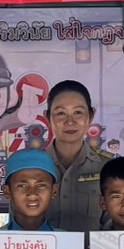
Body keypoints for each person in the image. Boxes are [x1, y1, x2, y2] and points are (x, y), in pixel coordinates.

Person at [43, 80, 109, 232]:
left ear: (90, 116)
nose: (70, 121)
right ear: (47, 118)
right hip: (41, 248)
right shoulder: (32, 168)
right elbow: (17, 227)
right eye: (61, 113)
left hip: (95, 248)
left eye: (78, 112)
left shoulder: (108, 167)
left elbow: (116, 226)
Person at [2, 149, 57, 232]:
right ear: (7, 191)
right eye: (22, 186)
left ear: (54, 191)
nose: (32, 194)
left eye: (41, 185)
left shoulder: (66, 239)